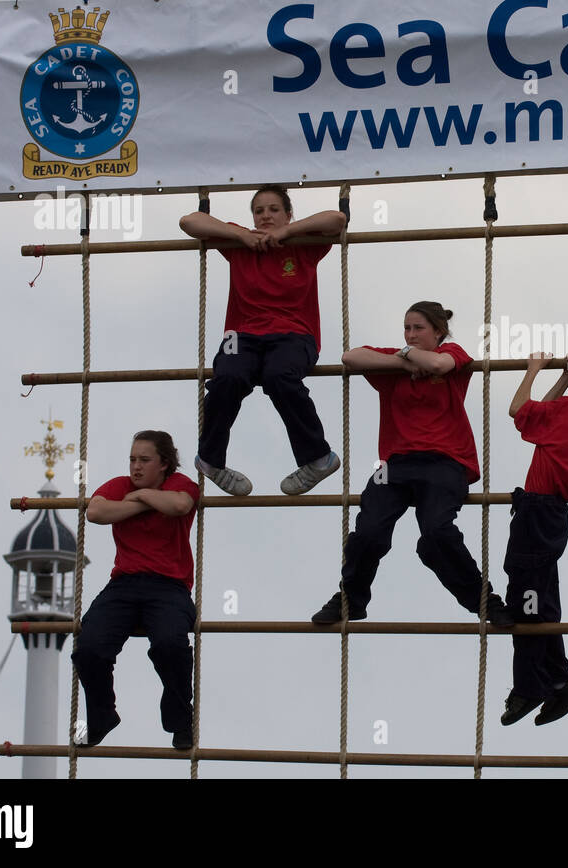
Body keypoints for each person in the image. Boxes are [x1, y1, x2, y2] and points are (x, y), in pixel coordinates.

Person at [311, 301, 514, 626]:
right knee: (368, 532)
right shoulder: (396, 364)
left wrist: (407, 357)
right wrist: (402, 361)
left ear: (439, 332)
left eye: (418, 328)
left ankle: (485, 602)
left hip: (445, 463)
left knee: (436, 535)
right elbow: (350, 357)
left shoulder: (454, 352)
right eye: (407, 328)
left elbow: (439, 364)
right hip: (396, 465)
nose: (410, 334)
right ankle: (350, 597)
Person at [179, 185, 346, 497]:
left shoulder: (303, 243)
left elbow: (336, 218)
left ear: (288, 214)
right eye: (259, 211)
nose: (266, 216)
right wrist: (242, 236)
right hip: (242, 335)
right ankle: (210, 460)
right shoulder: (242, 241)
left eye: (274, 210)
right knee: (228, 376)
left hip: (294, 333)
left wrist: (287, 233)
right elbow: (189, 222)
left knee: (279, 376)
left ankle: (318, 458)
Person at [71, 431, 201, 750]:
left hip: (170, 586)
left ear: (164, 464)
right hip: (124, 585)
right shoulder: (119, 485)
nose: (136, 467)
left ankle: (179, 721)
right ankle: (102, 717)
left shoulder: (180, 483)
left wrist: (138, 499)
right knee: (88, 649)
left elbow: (180, 505)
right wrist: (146, 501)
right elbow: (96, 513)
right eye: (132, 460)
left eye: (144, 460)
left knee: (171, 646)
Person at [499, 352, 568, 728]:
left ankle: (529, 687)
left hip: (535, 514)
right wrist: (565, 378)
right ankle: (560, 683)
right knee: (541, 603)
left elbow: (519, 410)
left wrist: (534, 370)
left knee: (525, 604)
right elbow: (541, 412)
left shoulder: (567, 414)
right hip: (552, 515)